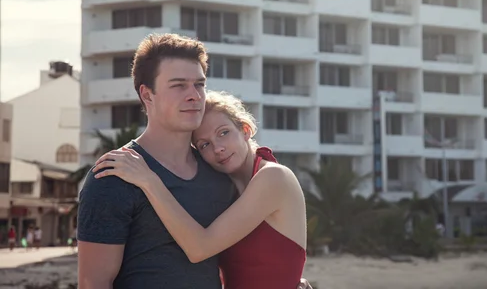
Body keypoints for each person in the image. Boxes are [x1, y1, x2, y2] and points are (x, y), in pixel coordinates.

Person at [77, 33, 312, 289]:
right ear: (147, 94)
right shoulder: (116, 174)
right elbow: (93, 282)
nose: (194, 95)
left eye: (199, 85)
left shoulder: (219, 175)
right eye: (178, 85)